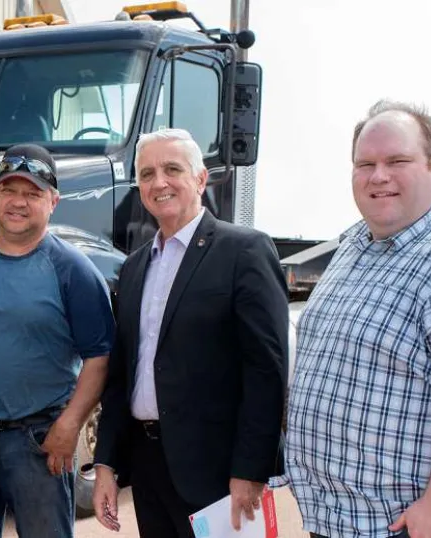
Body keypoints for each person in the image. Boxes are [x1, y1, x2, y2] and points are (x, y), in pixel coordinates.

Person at [92, 128, 288, 537]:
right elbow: (121, 376)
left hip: (217, 472)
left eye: (171, 169)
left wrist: (250, 469)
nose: (158, 183)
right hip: (148, 466)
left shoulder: (244, 251)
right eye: (146, 174)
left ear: (200, 179)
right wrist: (107, 463)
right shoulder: (133, 267)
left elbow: (266, 370)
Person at [286, 101, 431, 538]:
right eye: (365, 164)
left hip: (399, 526)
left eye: (397, 161)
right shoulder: (353, 246)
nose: (378, 175)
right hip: (335, 518)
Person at [0, 144, 115, 538]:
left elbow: (99, 357)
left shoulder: (74, 270)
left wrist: (70, 425)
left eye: (32, 193)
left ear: (53, 201)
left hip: (38, 443)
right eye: (8, 190)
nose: (18, 202)